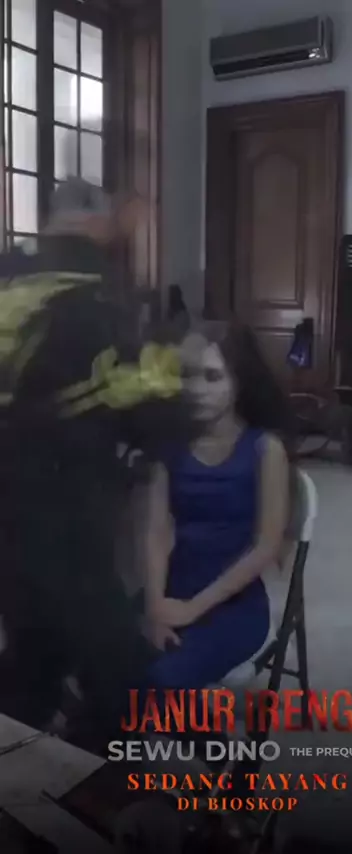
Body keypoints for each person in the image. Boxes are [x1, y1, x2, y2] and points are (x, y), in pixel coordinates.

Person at [0, 177, 191, 748]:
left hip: (8, 511)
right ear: (99, 221)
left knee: (33, 646)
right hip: (66, 506)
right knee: (112, 666)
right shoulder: (97, 295)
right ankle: (101, 777)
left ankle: (27, 763)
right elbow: (145, 400)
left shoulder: (8, 271)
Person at [142, 323, 295, 694]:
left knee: (161, 678)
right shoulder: (169, 445)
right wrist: (155, 605)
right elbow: (156, 531)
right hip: (174, 588)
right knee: (101, 659)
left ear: (239, 383)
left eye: (212, 377)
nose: (196, 389)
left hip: (235, 605)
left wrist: (192, 609)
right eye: (188, 375)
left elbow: (266, 547)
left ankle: (208, 728)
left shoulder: (265, 449)